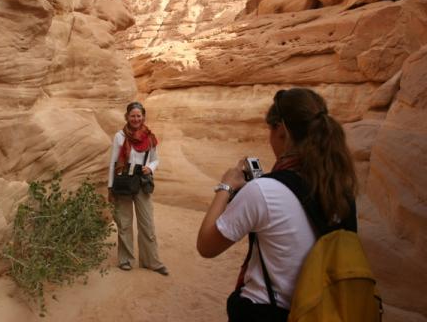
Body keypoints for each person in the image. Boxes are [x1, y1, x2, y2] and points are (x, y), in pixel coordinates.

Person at [197, 88, 357, 321]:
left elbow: (206, 245)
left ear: (281, 130)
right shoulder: (341, 190)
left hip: (267, 312)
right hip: (324, 311)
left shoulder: (264, 191)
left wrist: (226, 187)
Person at [108, 101, 169, 276]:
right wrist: (110, 187)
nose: (136, 119)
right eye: (133, 116)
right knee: (125, 223)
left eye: (139, 116)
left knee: (147, 224)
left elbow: (155, 159)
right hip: (124, 182)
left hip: (142, 181)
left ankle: (151, 261)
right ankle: (126, 260)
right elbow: (113, 163)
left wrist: (150, 167)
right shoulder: (120, 136)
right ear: (127, 117)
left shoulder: (149, 137)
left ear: (143, 117)